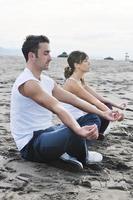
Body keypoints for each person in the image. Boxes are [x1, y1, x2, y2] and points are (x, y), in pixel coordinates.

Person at [10, 35, 122, 170]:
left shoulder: (46, 81)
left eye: (49, 53)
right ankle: (79, 156)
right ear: (32, 56)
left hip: (48, 132)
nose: (50, 57)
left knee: (87, 119)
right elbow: (56, 107)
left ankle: (64, 155)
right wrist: (77, 129)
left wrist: (104, 113)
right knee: (73, 129)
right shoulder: (28, 83)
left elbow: (74, 100)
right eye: (46, 53)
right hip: (31, 144)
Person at [63, 51, 125, 139]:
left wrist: (118, 107)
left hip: (81, 117)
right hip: (72, 121)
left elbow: (99, 98)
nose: (89, 63)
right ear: (77, 65)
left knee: (106, 105)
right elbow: (94, 101)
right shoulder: (72, 83)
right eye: (85, 61)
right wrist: (113, 115)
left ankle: (99, 135)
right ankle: (90, 138)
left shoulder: (80, 81)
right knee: (94, 116)